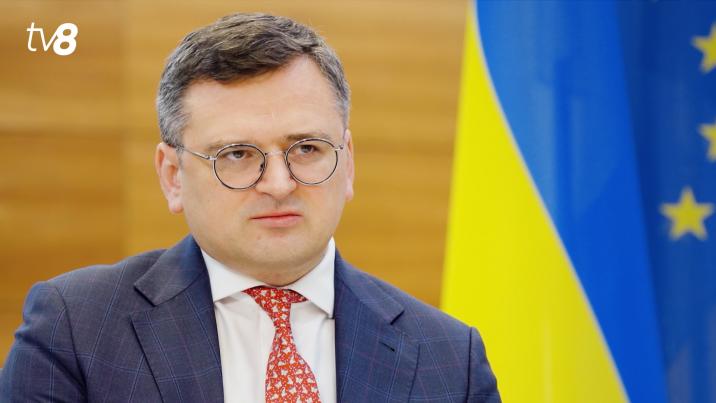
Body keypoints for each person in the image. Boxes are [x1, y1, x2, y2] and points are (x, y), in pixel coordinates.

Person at [0, 12, 500, 402]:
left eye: (307, 148)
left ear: (347, 163)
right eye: (237, 155)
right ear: (172, 176)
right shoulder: (77, 329)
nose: (279, 184)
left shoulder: (449, 358)